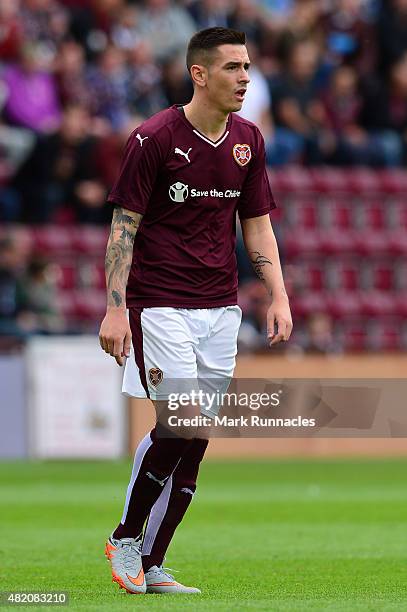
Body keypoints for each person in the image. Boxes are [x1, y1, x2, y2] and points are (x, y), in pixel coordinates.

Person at [99, 26, 292, 596]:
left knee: (197, 433)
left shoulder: (248, 141)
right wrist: (114, 310)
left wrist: (278, 294)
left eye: (249, 66)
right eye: (233, 67)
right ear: (199, 74)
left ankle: (153, 561)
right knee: (181, 420)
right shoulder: (154, 138)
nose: (245, 78)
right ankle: (126, 536)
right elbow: (123, 229)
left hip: (220, 305)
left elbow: (256, 223)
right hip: (160, 302)